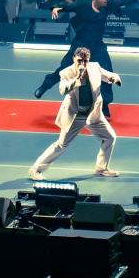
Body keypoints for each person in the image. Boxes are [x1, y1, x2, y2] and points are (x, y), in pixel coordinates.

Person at [33, 0, 139, 118]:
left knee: (107, 73)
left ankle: (104, 105)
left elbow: (123, 0)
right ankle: (45, 86)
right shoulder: (83, 3)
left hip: (97, 46)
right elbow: (67, 6)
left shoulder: (108, 3)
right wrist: (56, 7)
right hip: (80, 45)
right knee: (64, 70)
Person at [30, 47, 121, 179]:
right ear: (74, 59)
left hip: (93, 113)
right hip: (75, 115)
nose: (83, 64)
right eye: (79, 61)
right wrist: (76, 80)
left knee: (110, 137)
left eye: (85, 61)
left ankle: (101, 168)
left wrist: (115, 78)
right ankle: (36, 170)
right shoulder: (66, 72)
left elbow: (108, 75)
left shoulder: (95, 67)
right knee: (61, 145)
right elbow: (62, 90)